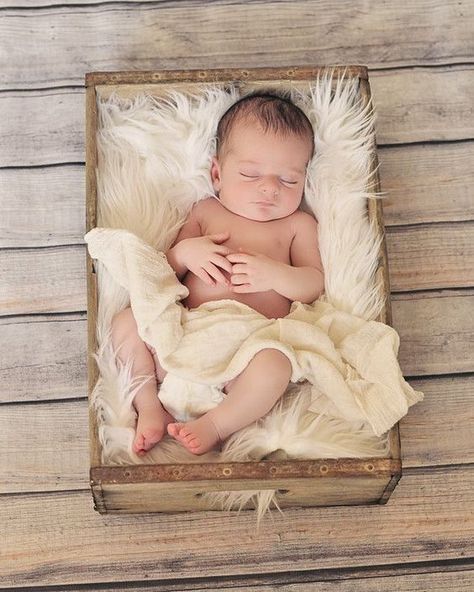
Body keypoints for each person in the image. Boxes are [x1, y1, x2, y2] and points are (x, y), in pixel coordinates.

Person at [111, 91, 325, 456]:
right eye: (250, 174)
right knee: (127, 322)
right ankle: (149, 406)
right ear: (217, 174)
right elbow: (161, 277)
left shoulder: (297, 225)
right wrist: (184, 253)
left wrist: (275, 275)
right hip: (183, 335)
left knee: (276, 365)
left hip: (243, 354)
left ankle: (215, 424)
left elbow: (313, 284)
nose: (269, 188)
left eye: (289, 180)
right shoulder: (205, 211)